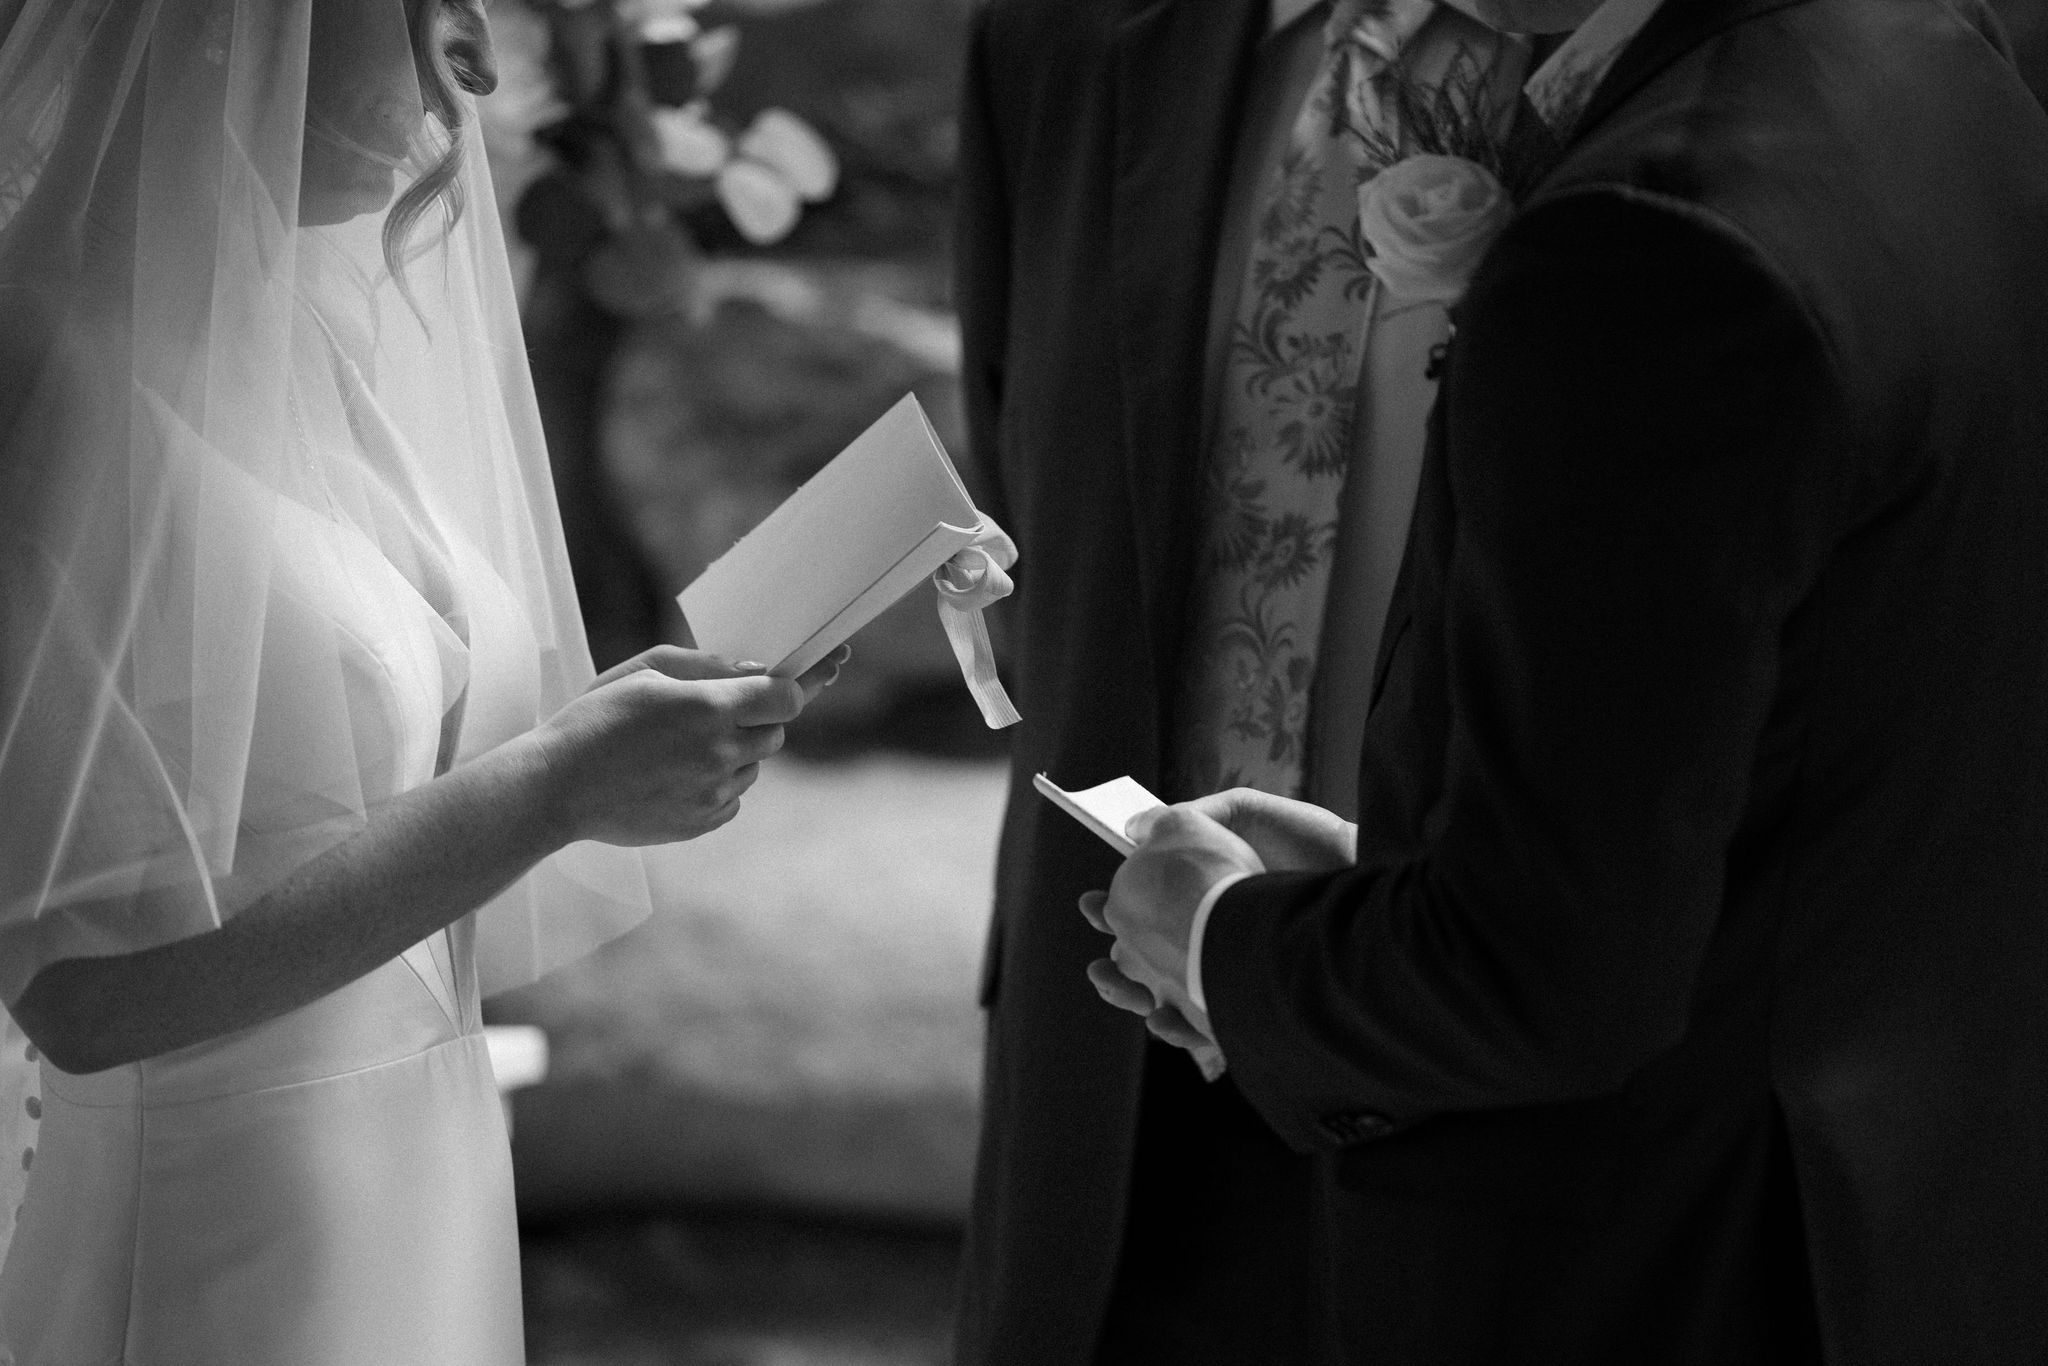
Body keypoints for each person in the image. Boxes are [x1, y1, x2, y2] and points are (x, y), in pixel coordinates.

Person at [1087, 0, 2048, 1360]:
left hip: (1670, 1268)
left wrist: (1222, 943)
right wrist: (1403, 869)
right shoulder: (1941, 65)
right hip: (1916, 1228)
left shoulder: (1651, 244)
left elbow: (1548, 971)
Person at [0, 0, 842, 1360]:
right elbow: (83, 1003)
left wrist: (626, 732)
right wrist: (558, 783)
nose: (479, 64)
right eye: (427, 5)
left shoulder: (303, 341)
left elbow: (370, 785)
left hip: (421, 1178)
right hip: (217, 1241)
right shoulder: (51, 372)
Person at [952, 0, 1598, 1360]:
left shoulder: (1656, 57)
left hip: (1507, 1057)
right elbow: (1028, 474)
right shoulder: (1060, 36)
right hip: (1121, 1039)